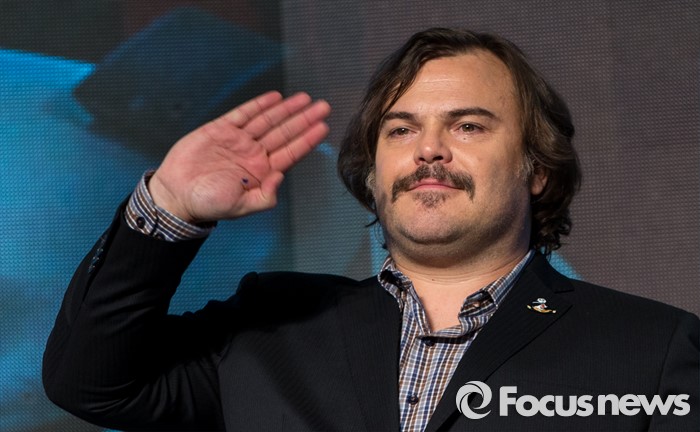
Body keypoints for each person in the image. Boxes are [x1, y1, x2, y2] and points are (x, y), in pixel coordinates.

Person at [43, 28, 699, 431]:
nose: (428, 149)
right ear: (373, 169)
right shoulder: (267, 328)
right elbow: (90, 384)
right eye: (401, 130)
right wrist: (169, 206)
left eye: (468, 125)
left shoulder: (653, 350)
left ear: (537, 170)